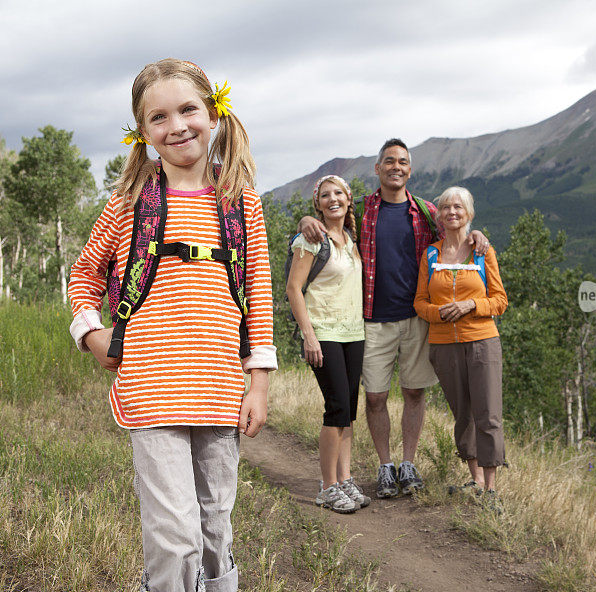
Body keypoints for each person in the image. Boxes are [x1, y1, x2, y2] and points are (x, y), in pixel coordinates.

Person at [68, 59, 276, 592]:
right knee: (174, 531)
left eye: (188, 109)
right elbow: (84, 273)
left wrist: (260, 383)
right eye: (158, 117)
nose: (177, 125)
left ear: (214, 114)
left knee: (214, 523)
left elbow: (259, 293)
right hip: (151, 388)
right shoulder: (129, 206)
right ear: (143, 133)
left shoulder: (240, 204)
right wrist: (91, 334)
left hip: (221, 389)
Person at [300, 139, 489, 498]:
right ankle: (385, 466)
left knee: (414, 392)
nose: (395, 167)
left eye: (402, 162)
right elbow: (331, 214)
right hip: (371, 319)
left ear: (410, 170)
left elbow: (456, 231)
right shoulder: (363, 211)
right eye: (389, 161)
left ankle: (409, 463)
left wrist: (476, 234)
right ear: (378, 169)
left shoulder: (425, 211)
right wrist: (307, 218)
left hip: (417, 317)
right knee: (374, 397)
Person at [413, 186, 507, 504]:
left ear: (469, 213)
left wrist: (470, 306)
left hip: (482, 342)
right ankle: (475, 479)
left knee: (488, 413)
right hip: (443, 345)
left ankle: (491, 488)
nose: (452, 212)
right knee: (463, 414)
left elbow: (500, 301)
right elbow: (420, 302)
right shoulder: (431, 254)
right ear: (439, 215)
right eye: (446, 208)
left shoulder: (482, 251)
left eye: (459, 207)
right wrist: (437, 313)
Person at [286, 174, 370, 513]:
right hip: (323, 333)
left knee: (348, 412)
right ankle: (327, 486)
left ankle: (345, 478)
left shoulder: (352, 239)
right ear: (318, 204)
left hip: (354, 333)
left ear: (349, 199)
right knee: (335, 408)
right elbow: (294, 288)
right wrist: (309, 335)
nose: (332, 199)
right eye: (324, 195)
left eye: (338, 193)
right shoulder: (310, 240)